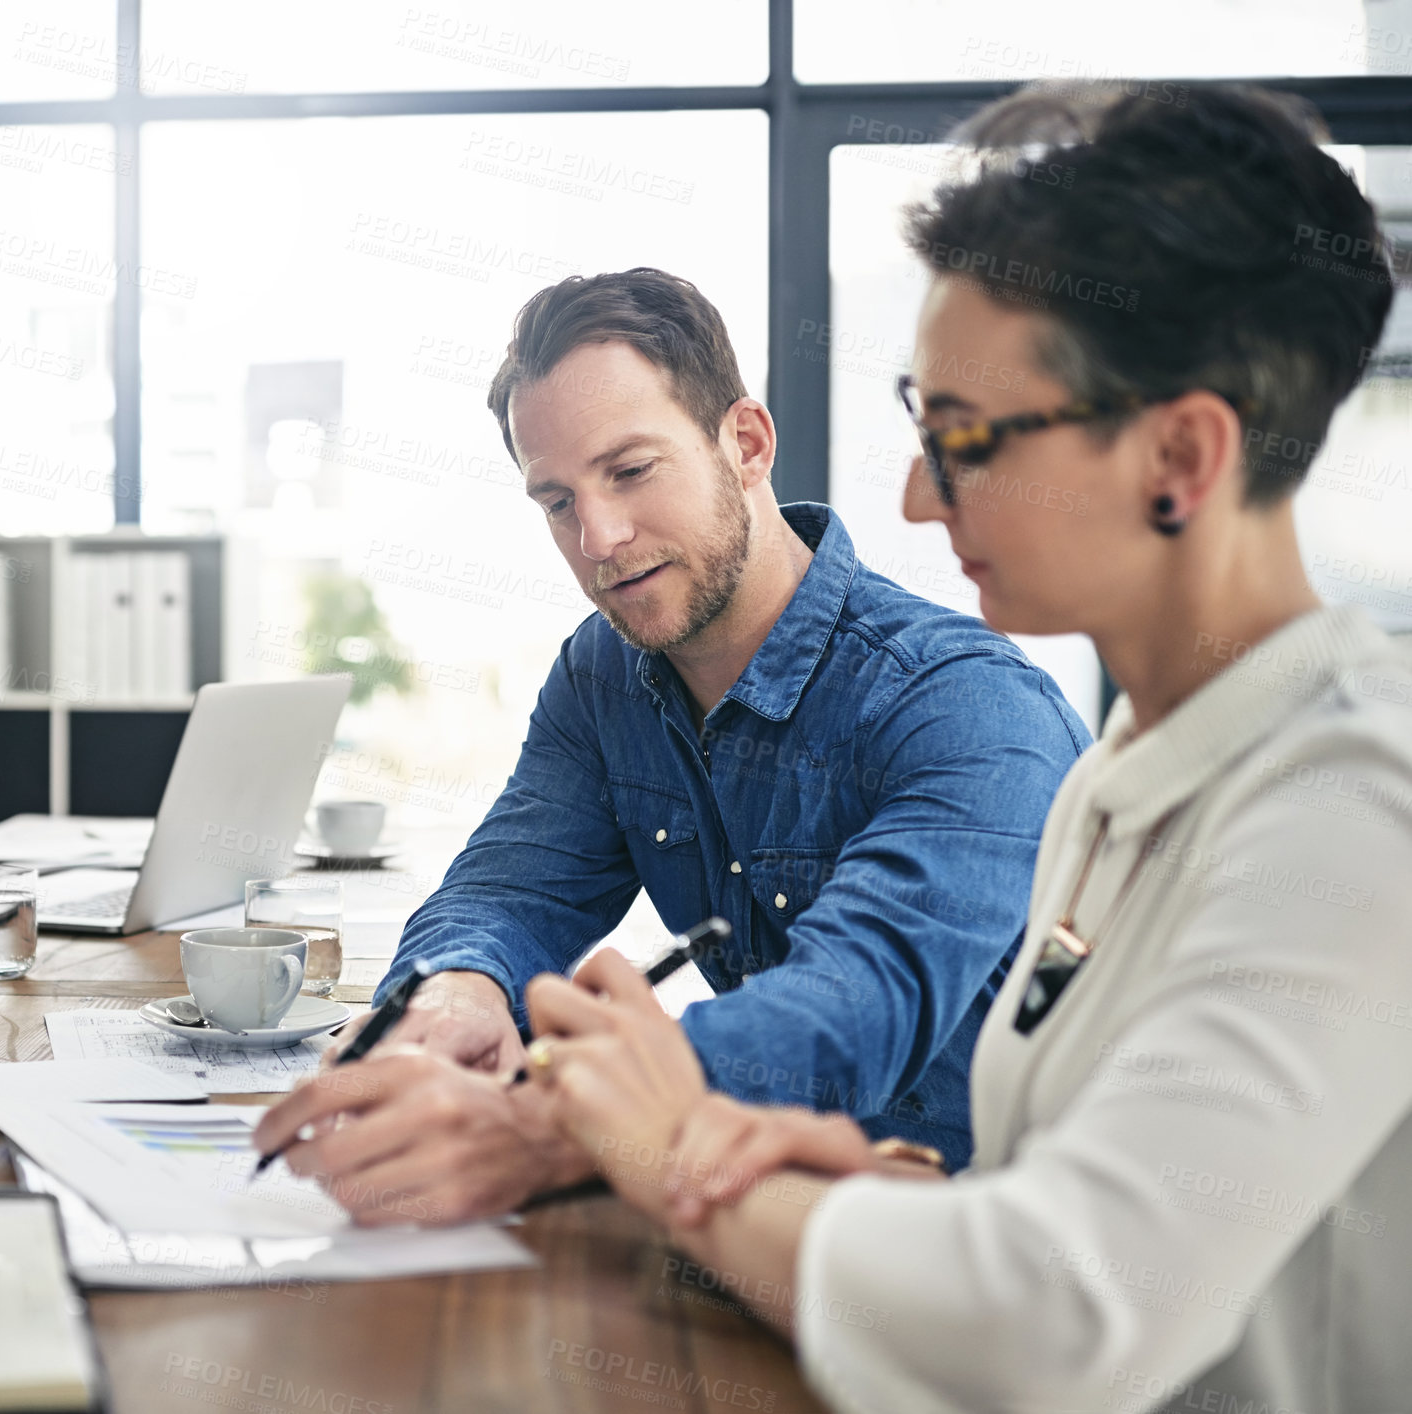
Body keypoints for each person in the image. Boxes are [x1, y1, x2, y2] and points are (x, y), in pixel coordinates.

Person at [519, 82, 1412, 1414]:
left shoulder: (1353, 807)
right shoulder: (1122, 772)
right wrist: (914, 1201)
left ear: (1179, 454)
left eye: (967, 439)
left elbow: (1055, 1313)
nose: (913, 495)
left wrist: (676, 1146)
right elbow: (1086, 1200)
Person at [255, 268, 1089, 1221]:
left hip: (962, 1252)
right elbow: (513, 888)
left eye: (631, 472)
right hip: (730, 1210)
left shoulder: (966, 708)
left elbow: (849, 1016)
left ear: (746, 443)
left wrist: (558, 1122)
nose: (600, 538)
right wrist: (457, 997)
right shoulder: (606, 672)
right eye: (557, 502)